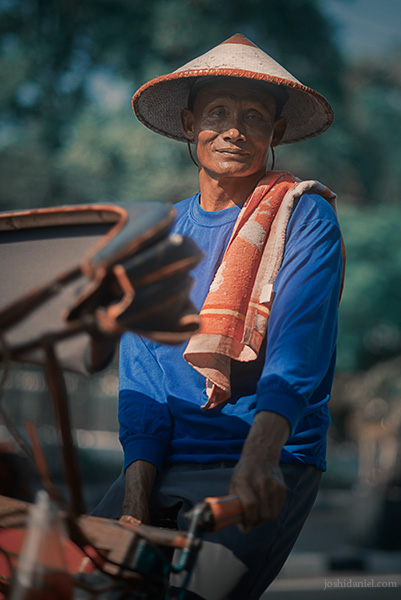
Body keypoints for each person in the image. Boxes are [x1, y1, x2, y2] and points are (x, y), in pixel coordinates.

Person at [93, 34, 345, 599]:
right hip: (162, 461)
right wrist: (136, 500)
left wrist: (259, 460)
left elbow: (298, 348)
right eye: (218, 114)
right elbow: (143, 380)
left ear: (274, 135)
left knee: (198, 593)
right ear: (189, 125)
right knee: (88, 581)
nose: (235, 130)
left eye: (254, 117)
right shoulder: (157, 239)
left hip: (263, 457)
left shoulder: (303, 217)